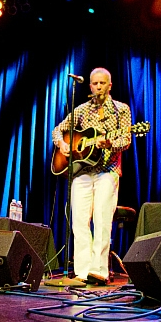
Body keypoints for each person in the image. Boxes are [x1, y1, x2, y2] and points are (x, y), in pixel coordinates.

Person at [52, 67, 132, 285]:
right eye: (95, 84)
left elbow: (126, 139)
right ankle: (82, 271)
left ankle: (99, 271)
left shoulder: (121, 110)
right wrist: (63, 143)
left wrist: (109, 143)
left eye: (102, 83)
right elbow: (57, 130)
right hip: (82, 171)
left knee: (102, 220)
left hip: (108, 170)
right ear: (89, 86)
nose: (98, 87)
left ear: (110, 85)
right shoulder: (81, 110)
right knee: (79, 221)